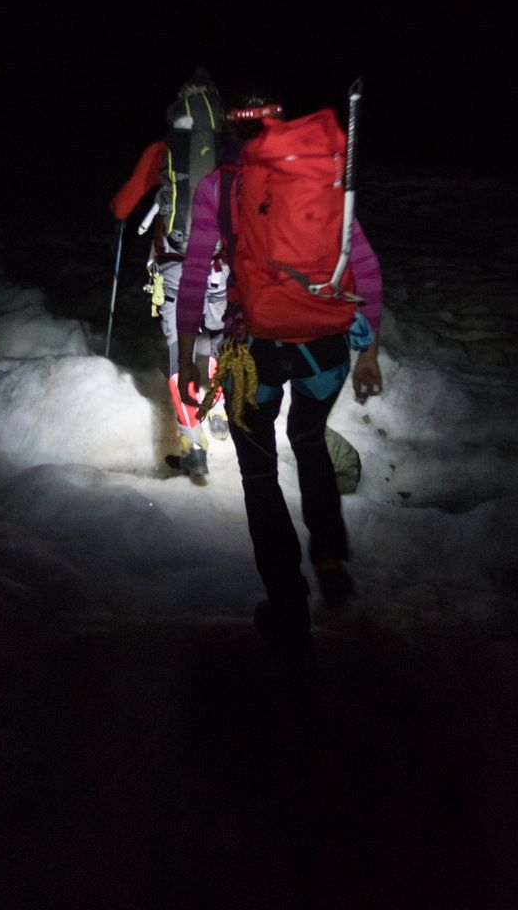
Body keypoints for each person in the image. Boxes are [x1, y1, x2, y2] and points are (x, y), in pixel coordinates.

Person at [175, 94, 383, 651]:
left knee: (260, 476)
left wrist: (187, 352)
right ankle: (331, 556)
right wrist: (369, 351)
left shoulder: (217, 187)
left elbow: (196, 271)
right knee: (309, 439)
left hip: (254, 352)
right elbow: (363, 264)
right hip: (328, 350)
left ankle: (288, 607)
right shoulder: (317, 178)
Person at [109, 66, 228, 476]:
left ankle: (192, 445)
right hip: (220, 260)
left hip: (175, 258)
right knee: (213, 336)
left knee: (181, 346)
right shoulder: (229, 149)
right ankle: (219, 411)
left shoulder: (163, 150)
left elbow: (123, 206)